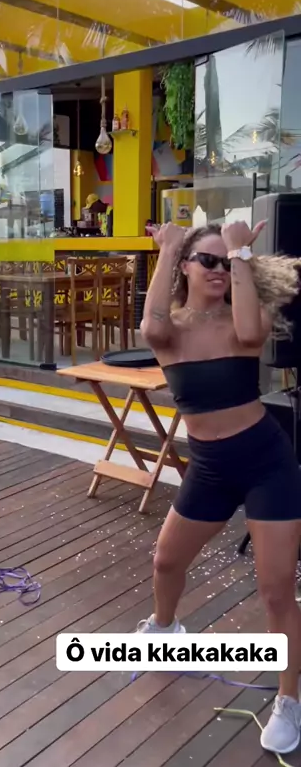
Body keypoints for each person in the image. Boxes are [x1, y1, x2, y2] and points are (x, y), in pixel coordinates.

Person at [140, 219, 301, 755]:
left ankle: (289, 699)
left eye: (224, 262)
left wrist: (238, 253)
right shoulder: (171, 331)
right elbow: (151, 327)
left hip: (265, 462)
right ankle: (165, 630)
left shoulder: (240, 321)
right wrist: (167, 247)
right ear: (185, 267)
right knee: (166, 561)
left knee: (276, 589)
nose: (217, 269)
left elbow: (253, 336)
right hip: (209, 467)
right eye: (206, 260)